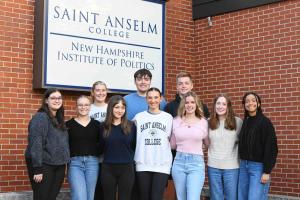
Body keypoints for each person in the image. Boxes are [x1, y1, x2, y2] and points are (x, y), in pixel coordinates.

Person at [25, 88, 70, 200]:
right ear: (46, 101)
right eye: (53, 98)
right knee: (42, 197)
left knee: (51, 197)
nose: (57, 100)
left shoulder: (58, 119)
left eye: (59, 98)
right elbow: (36, 143)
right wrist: (37, 168)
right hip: (44, 165)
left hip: (58, 165)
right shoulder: (41, 117)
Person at [134, 87, 173, 200]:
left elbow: (171, 139)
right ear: (146, 99)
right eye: (150, 97)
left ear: (161, 99)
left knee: (156, 197)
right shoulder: (138, 117)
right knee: (144, 197)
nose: (153, 100)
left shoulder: (168, 118)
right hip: (143, 162)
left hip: (162, 163)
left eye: (156, 97)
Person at [238, 92, 278, 200]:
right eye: (247, 101)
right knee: (242, 197)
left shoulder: (265, 122)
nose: (250, 103)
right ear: (244, 105)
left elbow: (271, 148)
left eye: (253, 100)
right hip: (243, 166)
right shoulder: (245, 122)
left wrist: (267, 171)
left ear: (258, 103)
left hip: (258, 168)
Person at [170, 91, 209, 200]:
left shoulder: (204, 122)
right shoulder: (175, 121)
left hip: (196, 164)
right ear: (183, 104)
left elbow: (208, 144)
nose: (189, 105)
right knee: (181, 198)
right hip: (179, 162)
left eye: (192, 102)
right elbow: (172, 145)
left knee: (193, 198)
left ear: (196, 105)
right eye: (187, 102)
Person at [100, 95, 136, 200]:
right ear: (111, 108)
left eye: (122, 107)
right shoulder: (103, 126)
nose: (120, 110)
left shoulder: (131, 126)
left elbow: (134, 145)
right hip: (108, 168)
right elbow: (101, 147)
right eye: (117, 107)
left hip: (127, 168)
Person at [207, 94, 243, 200]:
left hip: (232, 167)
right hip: (213, 166)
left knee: (231, 197)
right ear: (214, 106)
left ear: (228, 107)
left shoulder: (237, 122)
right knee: (216, 197)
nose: (220, 106)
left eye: (224, 104)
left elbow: (243, 143)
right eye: (218, 103)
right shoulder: (209, 122)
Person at [66, 95, 101, 200]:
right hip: (75, 164)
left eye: (86, 105)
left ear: (90, 106)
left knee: (90, 197)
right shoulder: (68, 125)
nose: (83, 107)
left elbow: (102, 144)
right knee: (80, 196)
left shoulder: (97, 125)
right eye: (80, 105)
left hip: (92, 163)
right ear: (76, 107)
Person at [89, 81, 108, 200]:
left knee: (106, 188)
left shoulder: (111, 107)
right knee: (95, 189)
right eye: (98, 90)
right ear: (92, 92)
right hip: (93, 155)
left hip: (108, 155)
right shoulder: (88, 108)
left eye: (103, 90)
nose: (100, 93)